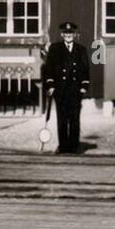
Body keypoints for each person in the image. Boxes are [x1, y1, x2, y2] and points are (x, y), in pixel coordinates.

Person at [42, 21, 90, 154]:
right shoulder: (55, 49)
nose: (68, 35)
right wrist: (51, 85)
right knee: (62, 119)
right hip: (60, 90)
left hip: (75, 90)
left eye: (71, 33)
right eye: (66, 33)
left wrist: (84, 86)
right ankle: (63, 146)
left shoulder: (81, 49)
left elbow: (85, 69)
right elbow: (49, 69)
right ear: (62, 34)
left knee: (74, 119)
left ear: (74, 34)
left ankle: (74, 147)